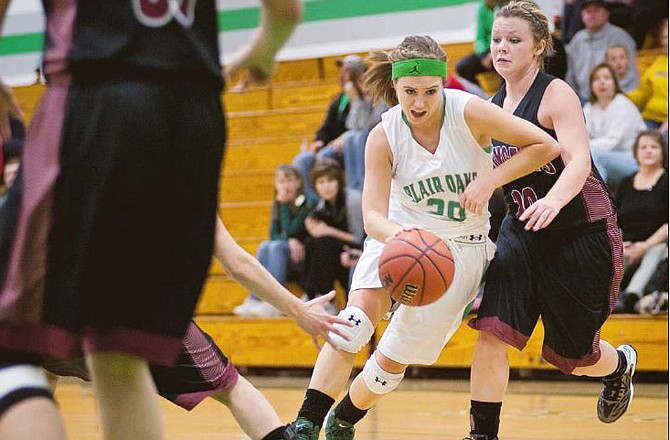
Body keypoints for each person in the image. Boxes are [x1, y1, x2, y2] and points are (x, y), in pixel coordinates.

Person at [0, 0, 302, 439]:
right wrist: (263, 49)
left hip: (97, 101)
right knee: (118, 354)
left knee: (10, 344)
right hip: (195, 120)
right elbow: (288, 10)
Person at [287, 34, 561, 439]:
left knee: (393, 360)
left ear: (443, 85)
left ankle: (342, 419)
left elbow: (545, 144)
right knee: (354, 323)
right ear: (395, 87)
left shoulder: (470, 112)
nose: (419, 103)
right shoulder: (383, 135)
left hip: (461, 248)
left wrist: (491, 181)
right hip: (398, 236)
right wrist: (407, 239)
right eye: (409, 92)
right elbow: (372, 218)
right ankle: (304, 425)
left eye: (430, 91)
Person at [465, 3, 637, 439]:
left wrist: (556, 200)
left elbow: (578, 158)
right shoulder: (493, 105)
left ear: (539, 46)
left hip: (579, 231)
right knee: (491, 334)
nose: (501, 47)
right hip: (521, 234)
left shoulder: (555, 93)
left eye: (514, 40)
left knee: (578, 359)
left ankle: (619, 365)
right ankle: (481, 434)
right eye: (497, 39)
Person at [44, 215, 351, 440]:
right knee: (232, 387)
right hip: (143, 310)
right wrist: (296, 308)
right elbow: (237, 264)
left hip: (64, 305)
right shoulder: (182, 174)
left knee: (39, 372)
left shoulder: (86, 160)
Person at [234, 164, 319, 317]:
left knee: (277, 247)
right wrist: (290, 241)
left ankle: (275, 302)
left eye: (290, 180)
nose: (286, 185)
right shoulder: (279, 202)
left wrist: (285, 206)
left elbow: (292, 229)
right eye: (281, 181)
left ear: (299, 182)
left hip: (305, 256)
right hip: (288, 253)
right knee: (265, 246)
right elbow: (273, 233)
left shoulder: (308, 200)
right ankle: (255, 299)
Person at [292, 55, 367, 194]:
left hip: (354, 146)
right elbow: (326, 125)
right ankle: (315, 202)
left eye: (347, 72)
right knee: (302, 160)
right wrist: (319, 141)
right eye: (342, 72)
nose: (342, 75)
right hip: (334, 145)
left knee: (325, 158)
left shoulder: (366, 98)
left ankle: (354, 194)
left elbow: (362, 126)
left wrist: (356, 100)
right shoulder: (339, 99)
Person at [300, 158, 364, 314]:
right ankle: (311, 294)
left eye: (330, 180)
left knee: (324, 242)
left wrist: (327, 230)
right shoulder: (322, 205)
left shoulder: (353, 199)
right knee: (311, 243)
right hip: (339, 252)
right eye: (320, 182)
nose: (325, 186)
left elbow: (359, 238)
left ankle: (325, 297)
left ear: (339, 181)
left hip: (360, 250)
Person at [614, 130, 668, 313]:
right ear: (636, 152)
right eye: (643, 147)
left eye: (654, 147)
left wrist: (645, 245)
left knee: (657, 251)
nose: (648, 151)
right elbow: (613, 219)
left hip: (657, 244)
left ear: (663, 152)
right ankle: (603, 298)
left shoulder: (666, 181)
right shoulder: (626, 183)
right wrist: (620, 243)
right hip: (626, 244)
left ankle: (631, 295)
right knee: (608, 251)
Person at [582, 62, 646, 188]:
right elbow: (582, 136)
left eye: (607, 78)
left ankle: (600, 202)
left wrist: (584, 146)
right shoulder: (589, 107)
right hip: (604, 156)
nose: (602, 82)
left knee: (593, 154)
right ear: (591, 85)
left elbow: (613, 142)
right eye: (596, 79)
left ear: (615, 83)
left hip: (633, 159)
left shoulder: (623, 104)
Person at [565, 0, 638, 101]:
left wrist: (616, 96)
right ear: (582, 15)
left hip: (614, 97)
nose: (592, 15)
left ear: (607, 13)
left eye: (596, 10)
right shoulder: (578, 39)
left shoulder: (620, 37)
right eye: (588, 11)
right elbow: (571, 73)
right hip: (583, 98)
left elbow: (631, 74)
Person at [627, 19, 668, 140]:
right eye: (665, 37)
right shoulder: (658, 62)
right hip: (650, 117)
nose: (665, 42)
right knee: (636, 140)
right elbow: (643, 93)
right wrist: (619, 95)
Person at [456, 0, 503, 87]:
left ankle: (504, 97)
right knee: (463, 67)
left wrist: (496, 52)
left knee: (507, 65)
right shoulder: (483, 8)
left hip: (505, 50)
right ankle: (479, 96)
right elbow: (480, 37)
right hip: (487, 52)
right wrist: (483, 55)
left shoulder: (511, 6)